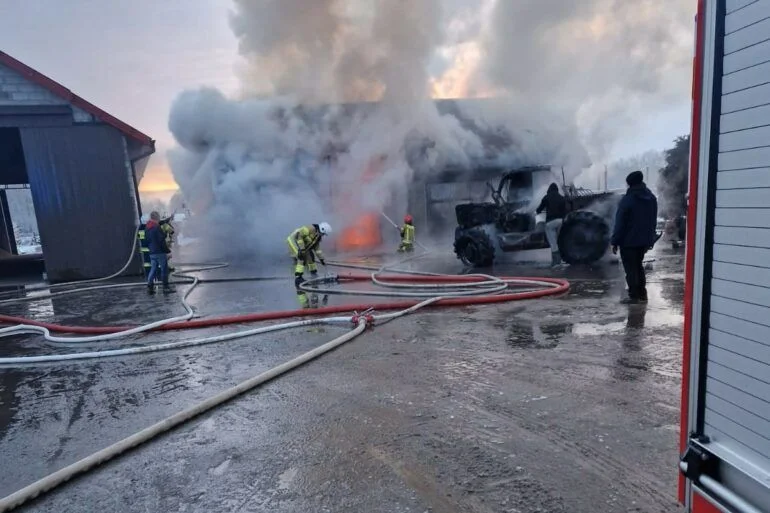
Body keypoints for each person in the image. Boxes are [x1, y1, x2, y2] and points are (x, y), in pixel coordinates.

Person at [611, 170, 658, 304]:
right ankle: (642, 294)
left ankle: (634, 296)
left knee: (631, 269)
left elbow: (620, 222)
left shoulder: (628, 200)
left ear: (629, 184)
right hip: (644, 241)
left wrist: (614, 241)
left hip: (629, 241)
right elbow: (653, 220)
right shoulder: (651, 198)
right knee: (638, 266)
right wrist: (650, 238)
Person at [287, 222, 332, 287]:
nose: (323, 235)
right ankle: (298, 278)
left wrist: (322, 259)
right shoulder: (311, 228)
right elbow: (298, 235)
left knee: (311, 257)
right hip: (293, 241)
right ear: (322, 229)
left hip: (302, 245)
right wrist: (302, 249)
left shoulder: (317, 237)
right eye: (323, 234)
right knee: (302, 257)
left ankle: (313, 273)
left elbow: (317, 250)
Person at [536, 183, 568, 266]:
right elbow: (565, 211)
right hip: (561, 221)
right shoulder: (561, 198)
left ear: (549, 189)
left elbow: (539, 209)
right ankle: (562, 259)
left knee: (552, 241)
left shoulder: (546, 197)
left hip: (551, 223)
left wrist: (537, 211)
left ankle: (556, 261)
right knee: (558, 240)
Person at [145, 211, 175, 294]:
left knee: (153, 269)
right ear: (157, 218)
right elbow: (161, 241)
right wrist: (168, 251)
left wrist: (167, 219)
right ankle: (166, 288)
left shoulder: (147, 227)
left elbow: (147, 240)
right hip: (160, 252)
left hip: (152, 252)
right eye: (158, 218)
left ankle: (150, 287)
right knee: (164, 269)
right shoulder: (156, 227)